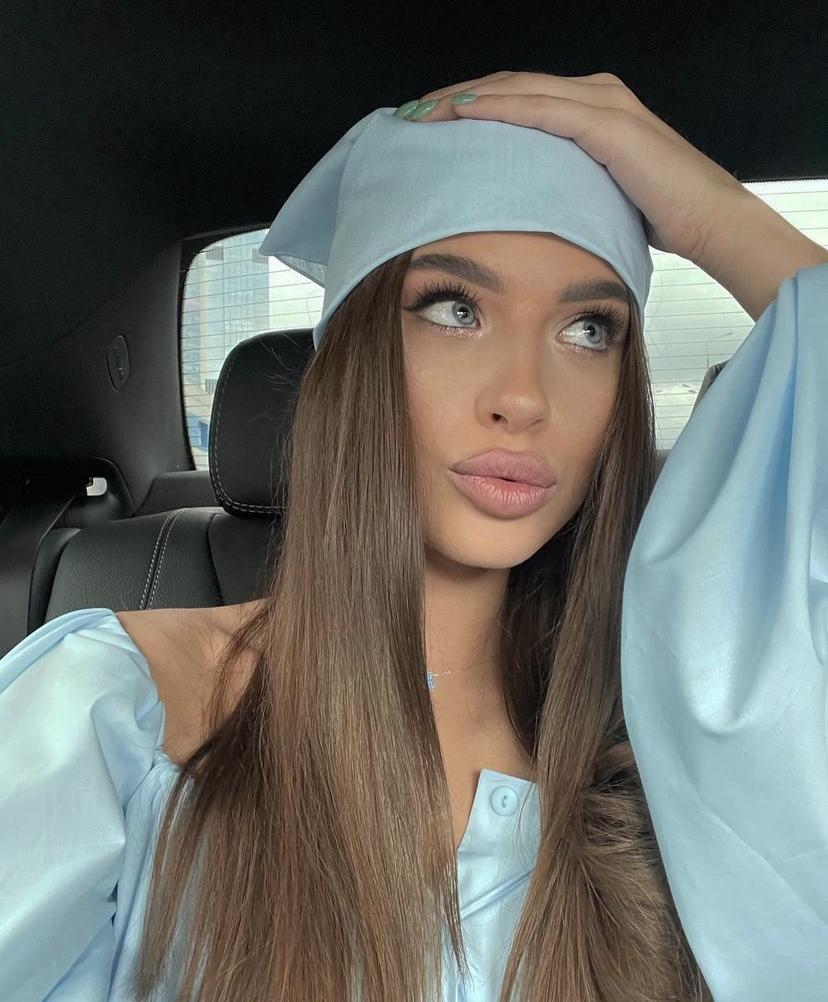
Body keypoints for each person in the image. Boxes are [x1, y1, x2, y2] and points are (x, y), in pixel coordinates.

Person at [1, 70, 826, 1002]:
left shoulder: (672, 743)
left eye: (590, 330)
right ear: (351, 359)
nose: (523, 397)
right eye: (455, 310)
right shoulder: (114, 718)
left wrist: (717, 219)